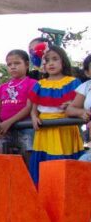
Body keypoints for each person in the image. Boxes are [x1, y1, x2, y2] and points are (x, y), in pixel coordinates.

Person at [28, 45, 84, 183]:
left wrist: (70, 106)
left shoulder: (73, 82)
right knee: (45, 167)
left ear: (63, 61)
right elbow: (34, 108)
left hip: (65, 129)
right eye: (47, 60)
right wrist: (34, 117)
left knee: (66, 167)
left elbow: (79, 104)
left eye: (55, 59)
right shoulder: (40, 84)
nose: (51, 63)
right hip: (44, 131)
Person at [0, 50, 37, 161]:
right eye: (9, 64)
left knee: (28, 152)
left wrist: (9, 122)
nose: (13, 67)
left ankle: (30, 177)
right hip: (5, 130)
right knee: (2, 153)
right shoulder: (2, 87)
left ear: (26, 65)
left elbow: (28, 107)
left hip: (25, 126)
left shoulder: (33, 83)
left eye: (17, 63)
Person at [67, 54, 91, 162]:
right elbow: (70, 110)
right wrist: (82, 112)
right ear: (87, 72)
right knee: (83, 162)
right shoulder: (86, 87)